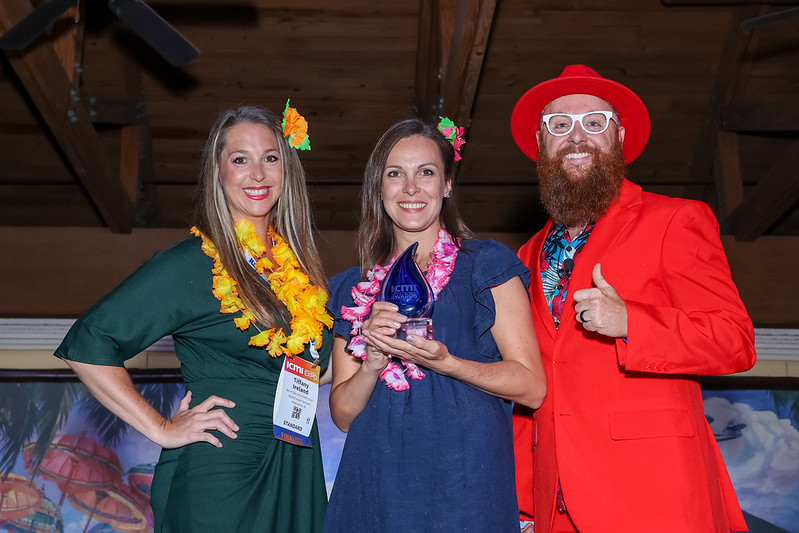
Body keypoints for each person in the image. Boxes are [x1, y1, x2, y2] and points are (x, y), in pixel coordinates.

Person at [55, 103, 333, 532]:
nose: (258, 173)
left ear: (286, 169)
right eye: (240, 159)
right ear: (218, 173)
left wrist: (374, 345)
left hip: (294, 462)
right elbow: (89, 341)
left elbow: (314, 368)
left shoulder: (296, 273)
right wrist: (161, 428)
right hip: (223, 469)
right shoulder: (194, 263)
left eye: (270, 158)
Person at [510, 64, 757, 533]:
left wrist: (632, 322)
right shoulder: (525, 256)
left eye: (594, 123)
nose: (576, 137)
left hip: (654, 496)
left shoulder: (676, 220)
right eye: (559, 125)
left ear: (618, 137)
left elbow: (735, 340)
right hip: (554, 507)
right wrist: (525, 505)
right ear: (541, 145)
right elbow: (532, 384)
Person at [322, 118, 546, 532]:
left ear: (446, 185)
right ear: (379, 187)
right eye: (395, 174)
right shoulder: (352, 289)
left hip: (465, 487)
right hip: (373, 489)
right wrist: (371, 361)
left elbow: (532, 385)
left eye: (426, 172)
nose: (411, 188)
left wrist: (447, 363)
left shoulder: (486, 264)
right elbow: (343, 415)